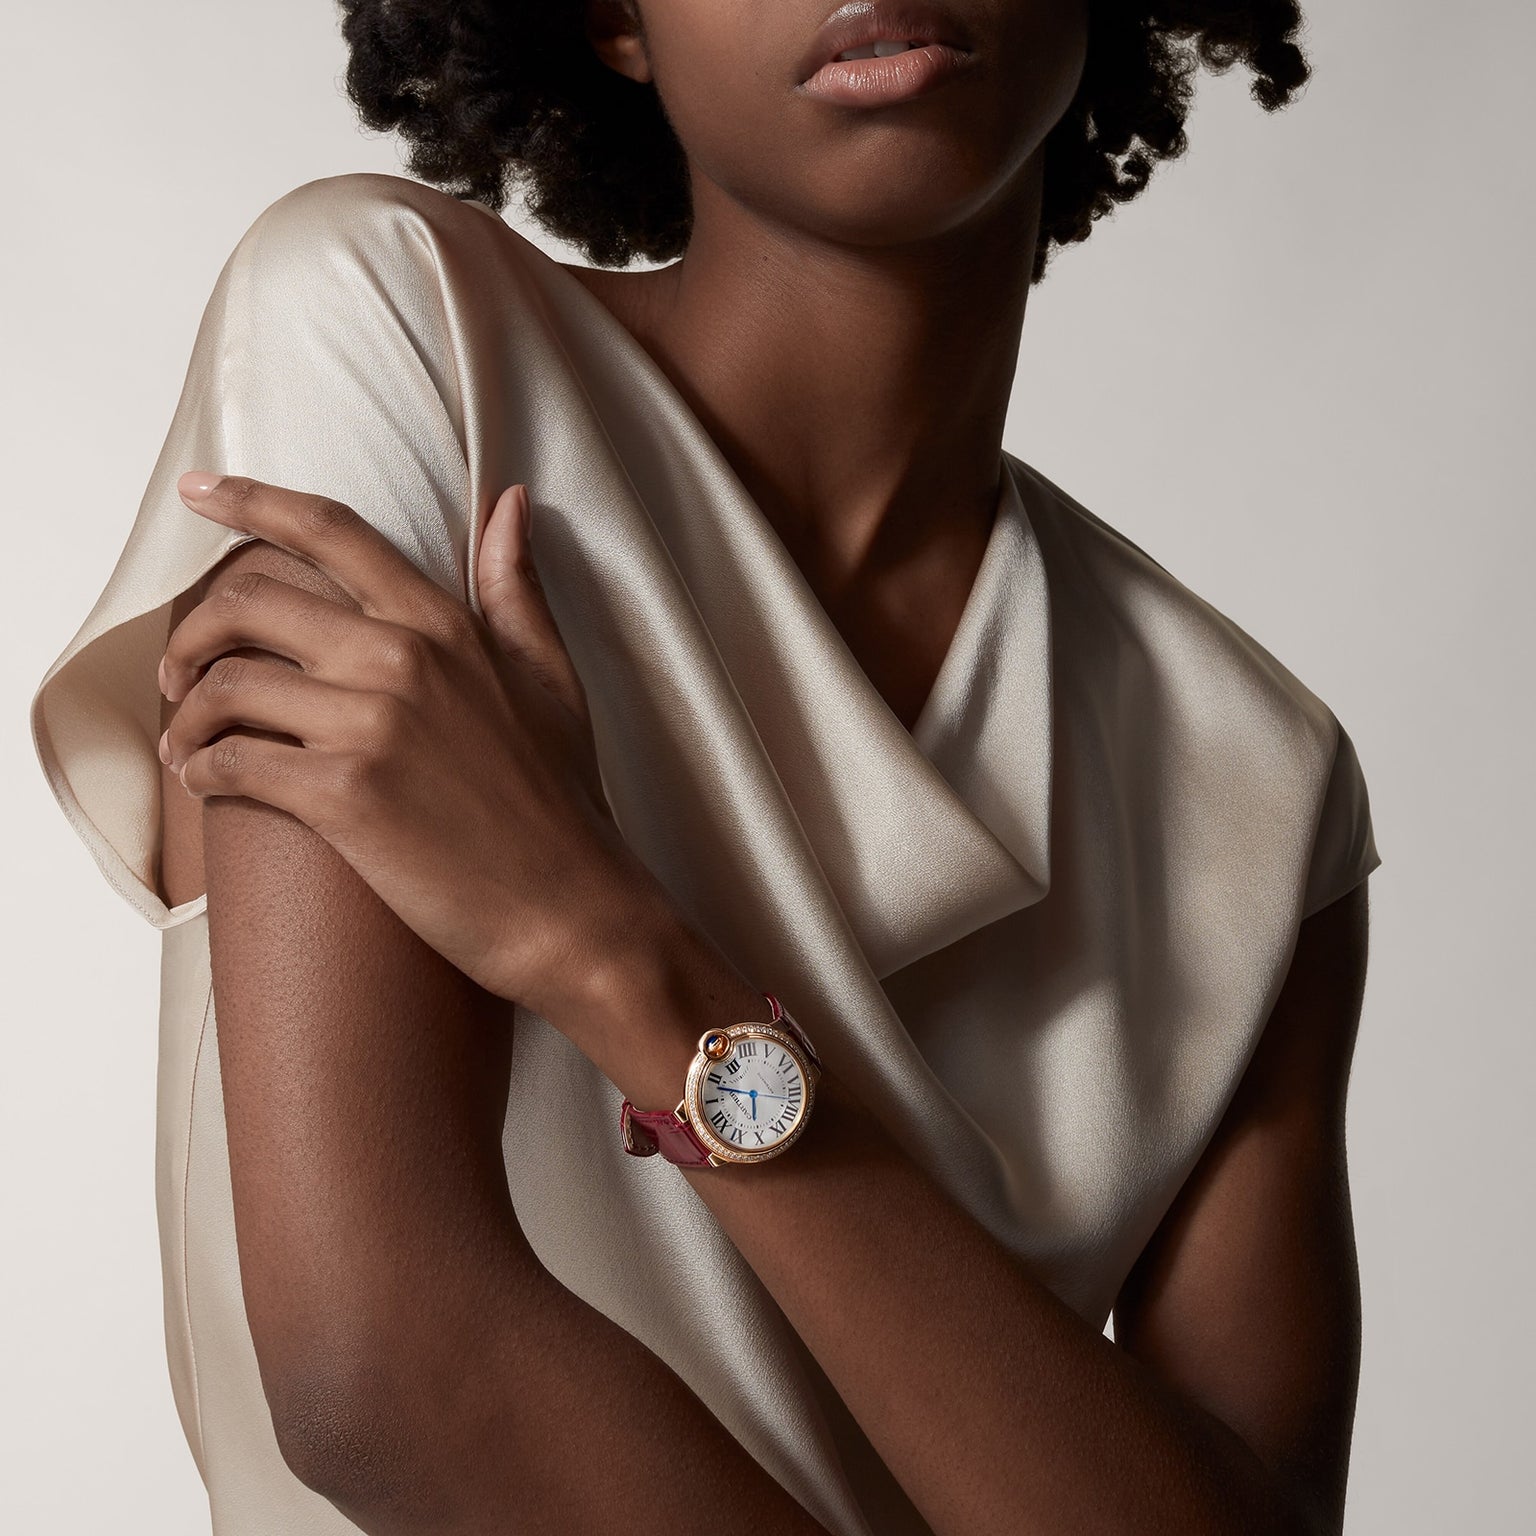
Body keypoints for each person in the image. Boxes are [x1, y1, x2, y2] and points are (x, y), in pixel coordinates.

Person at [29, 2, 1381, 1533]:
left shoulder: (1260, 783)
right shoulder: (405, 343)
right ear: (610, 18)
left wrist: (606, 947)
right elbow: (384, 1372)